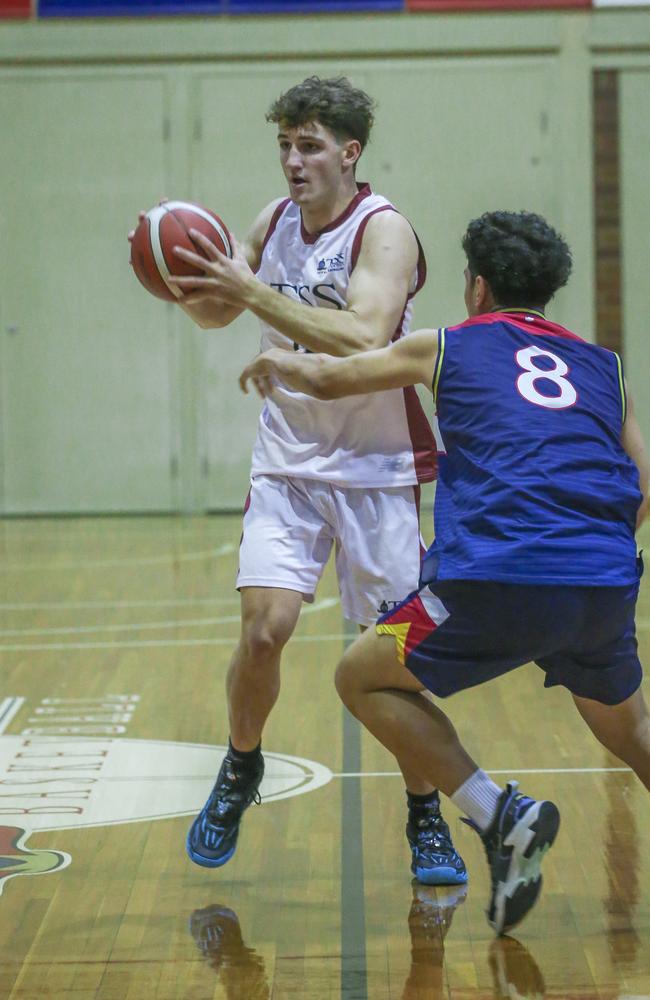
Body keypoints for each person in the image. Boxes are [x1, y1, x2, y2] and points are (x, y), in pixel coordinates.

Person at [239, 209, 650, 935]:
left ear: (477, 287)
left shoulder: (448, 346)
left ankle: (501, 815)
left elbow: (339, 378)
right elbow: (643, 485)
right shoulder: (602, 364)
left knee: (359, 675)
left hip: (490, 578)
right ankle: (505, 812)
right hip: (604, 580)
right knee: (631, 731)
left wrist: (281, 363)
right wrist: (577, 561)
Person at [146, 76, 466, 883]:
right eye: (285, 145)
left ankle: (425, 813)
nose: (293, 160)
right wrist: (177, 276)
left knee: (395, 660)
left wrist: (254, 293)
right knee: (264, 629)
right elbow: (222, 312)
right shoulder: (273, 221)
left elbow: (363, 335)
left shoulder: (383, 231)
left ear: (349, 152)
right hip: (287, 461)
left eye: (310, 145)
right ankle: (241, 766)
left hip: (375, 469)